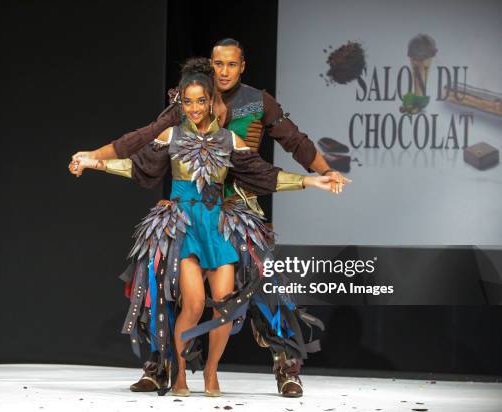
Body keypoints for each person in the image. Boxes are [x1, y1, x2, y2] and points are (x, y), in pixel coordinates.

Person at [72, 39, 352, 397]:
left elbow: (294, 144)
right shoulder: (187, 100)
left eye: (230, 65)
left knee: (264, 280)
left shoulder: (257, 101)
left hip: (239, 207)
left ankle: (286, 363)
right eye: (217, 64)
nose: (223, 71)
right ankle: (164, 364)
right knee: (166, 283)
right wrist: (94, 156)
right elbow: (142, 142)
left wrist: (324, 174)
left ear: (242, 66)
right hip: (189, 212)